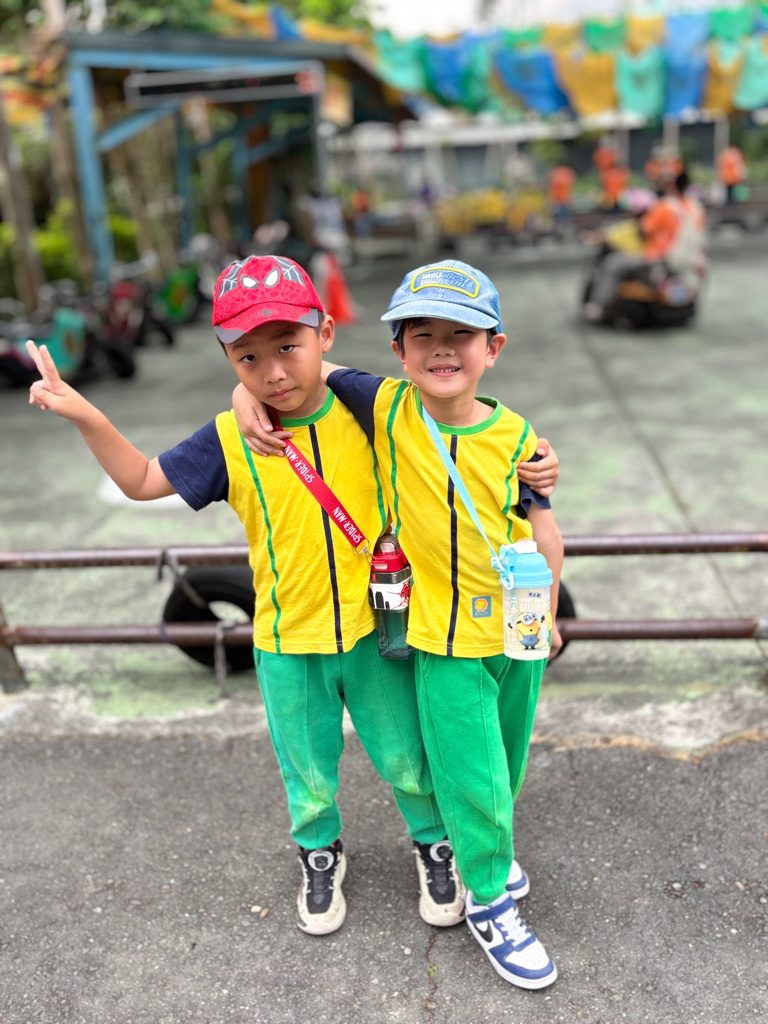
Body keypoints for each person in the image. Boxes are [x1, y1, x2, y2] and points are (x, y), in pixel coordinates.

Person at [25, 254, 480, 940]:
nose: (272, 374)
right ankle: (319, 851)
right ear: (228, 360)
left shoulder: (373, 412)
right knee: (307, 769)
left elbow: (451, 404)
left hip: (376, 629)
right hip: (285, 639)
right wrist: (87, 415)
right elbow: (143, 481)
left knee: (406, 755)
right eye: (248, 358)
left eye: (288, 347)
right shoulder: (229, 438)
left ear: (325, 334)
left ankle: (433, 842)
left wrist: (536, 466)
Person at [234, 259, 565, 990]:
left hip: (516, 631)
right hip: (442, 638)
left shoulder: (518, 434)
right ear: (399, 351)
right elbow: (299, 369)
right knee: (470, 770)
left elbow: (542, 527)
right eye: (423, 335)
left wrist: (547, 612)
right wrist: (240, 391)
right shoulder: (386, 408)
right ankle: (488, 900)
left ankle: (489, 847)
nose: (442, 349)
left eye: (462, 335)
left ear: (493, 348)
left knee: (505, 757)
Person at [585, 169, 703, 321]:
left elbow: (642, 229)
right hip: (689, 261)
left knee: (612, 264)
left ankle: (599, 306)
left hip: (659, 258)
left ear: (671, 185)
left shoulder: (665, 206)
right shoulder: (696, 208)